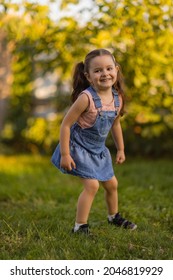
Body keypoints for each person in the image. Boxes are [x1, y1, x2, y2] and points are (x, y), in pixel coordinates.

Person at [52, 48, 137, 234]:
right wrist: (65, 154)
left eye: (109, 68)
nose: (105, 73)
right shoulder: (86, 98)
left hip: (98, 150)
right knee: (92, 186)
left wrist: (120, 149)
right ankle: (80, 226)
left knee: (112, 184)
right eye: (98, 71)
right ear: (88, 76)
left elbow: (115, 125)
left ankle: (113, 216)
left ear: (116, 69)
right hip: (78, 148)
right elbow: (65, 125)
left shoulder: (117, 98)